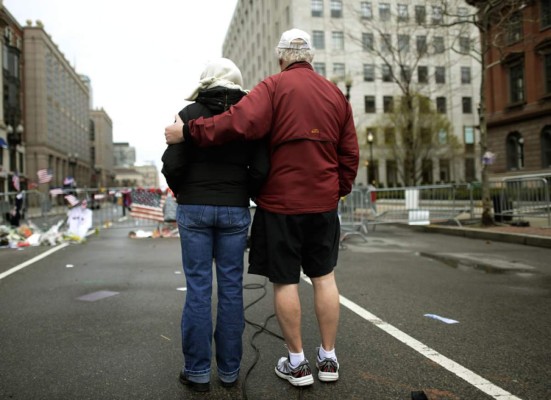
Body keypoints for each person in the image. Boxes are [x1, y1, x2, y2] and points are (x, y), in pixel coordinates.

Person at [165, 29, 359, 387]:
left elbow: (238, 123)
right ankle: (328, 359)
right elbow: (349, 152)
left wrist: (190, 132)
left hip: (281, 204)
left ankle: (298, 364)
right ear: (312, 58)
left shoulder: (272, 87)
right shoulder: (335, 94)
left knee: (283, 281)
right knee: (324, 278)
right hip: (322, 202)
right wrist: (337, 191)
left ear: (281, 57)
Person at [162, 57, 269, 392]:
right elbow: (262, 168)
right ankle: (229, 372)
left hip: (193, 207)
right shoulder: (249, 115)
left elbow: (172, 165)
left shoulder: (189, 115)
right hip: (234, 210)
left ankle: (196, 373)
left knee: (197, 289)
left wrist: (185, 192)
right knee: (231, 289)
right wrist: (242, 192)